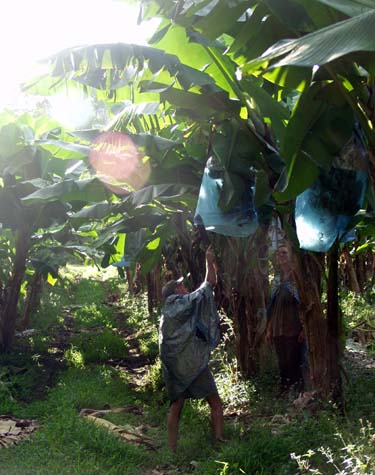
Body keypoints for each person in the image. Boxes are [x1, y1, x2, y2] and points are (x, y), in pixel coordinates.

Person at [159, 246, 224, 453]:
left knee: (176, 406)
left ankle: (172, 450)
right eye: (181, 286)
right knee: (214, 401)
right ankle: (219, 440)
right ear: (176, 292)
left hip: (174, 367)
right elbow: (207, 287)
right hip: (192, 363)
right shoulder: (179, 303)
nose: (184, 287)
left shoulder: (168, 310)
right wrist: (208, 261)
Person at [265, 245, 305, 393]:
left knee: (294, 361)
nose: (280, 256)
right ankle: (285, 391)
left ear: (292, 257)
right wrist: (269, 329)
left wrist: (304, 329)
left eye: (284, 253)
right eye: (278, 254)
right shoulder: (276, 280)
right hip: (278, 329)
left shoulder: (297, 279)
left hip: (293, 328)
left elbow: (305, 305)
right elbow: (272, 307)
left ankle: (297, 392)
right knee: (282, 363)